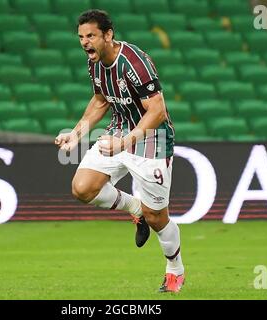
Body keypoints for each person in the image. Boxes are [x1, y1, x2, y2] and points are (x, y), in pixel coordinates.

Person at [55, 9, 184, 293]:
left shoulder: (134, 63)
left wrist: (125, 143)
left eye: (91, 36)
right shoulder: (95, 62)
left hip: (152, 140)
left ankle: (175, 269)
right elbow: (101, 100)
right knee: (83, 188)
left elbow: (158, 111)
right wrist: (76, 135)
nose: (85, 42)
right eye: (81, 37)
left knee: (157, 218)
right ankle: (133, 207)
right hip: (117, 131)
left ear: (108, 35)